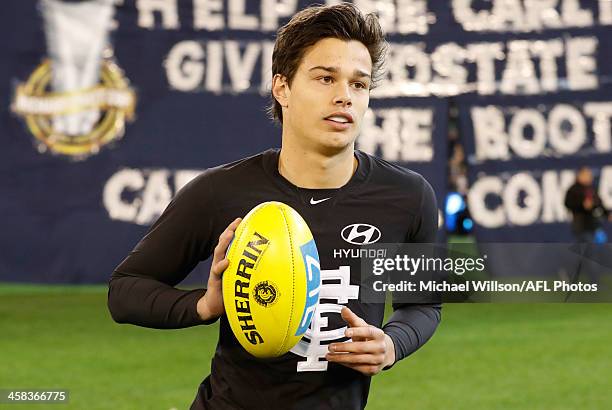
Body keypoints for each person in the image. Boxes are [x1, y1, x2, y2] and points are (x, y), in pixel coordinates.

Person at [108, 4, 441, 409]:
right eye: (325, 78)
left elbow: (424, 303)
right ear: (282, 87)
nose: (344, 96)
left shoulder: (408, 196)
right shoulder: (220, 192)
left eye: (359, 84)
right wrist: (203, 304)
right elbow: (125, 292)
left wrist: (392, 344)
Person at [564, 166, 610, 243]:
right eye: (586, 175)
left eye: (589, 175)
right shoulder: (573, 190)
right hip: (581, 226)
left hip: (594, 225)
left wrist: (607, 214)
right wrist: (582, 205)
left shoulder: (591, 189)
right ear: (580, 176)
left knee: (602, 244)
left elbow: (599, 204)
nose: (589, 177)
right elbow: (568, 204)